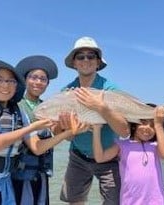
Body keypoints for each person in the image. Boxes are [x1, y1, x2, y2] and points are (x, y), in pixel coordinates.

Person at [0, 59, 86, 205]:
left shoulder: (21, 112)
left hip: (6, 184)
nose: (5, 85)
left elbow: (38, 147)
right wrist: (32, 127)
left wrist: (68, 132)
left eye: (10, 81)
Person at [59, 36, 130, 205]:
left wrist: (101, 108)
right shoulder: (66, 92)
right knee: (74, 200)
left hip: (108, 158)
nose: (86, 60)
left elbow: (125, 131)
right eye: (80, 56)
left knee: (114, 202)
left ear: (98, 62)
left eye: (91, 56)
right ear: (74, 63)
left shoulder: (110, 89)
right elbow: (68, 137)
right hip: (78, 156)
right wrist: (69, 129)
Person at [92, 105, 164, 204]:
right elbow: (100, 157)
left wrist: (159, 125)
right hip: (130, 201)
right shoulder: (122, 145)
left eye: (152, 125)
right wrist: (96, 130)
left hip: (156, 201)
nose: (147, 128)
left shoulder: (155, 146)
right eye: (144, 123)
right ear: (134, 125)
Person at [12, 55, 58, 205]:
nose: (38, 82)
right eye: (33, 77)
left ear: (47, 84)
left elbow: (56, 130)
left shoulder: (49, 106)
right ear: (25, 80)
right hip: (20, 175)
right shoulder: (16, 104)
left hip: (41, 173)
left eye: (43, 79)